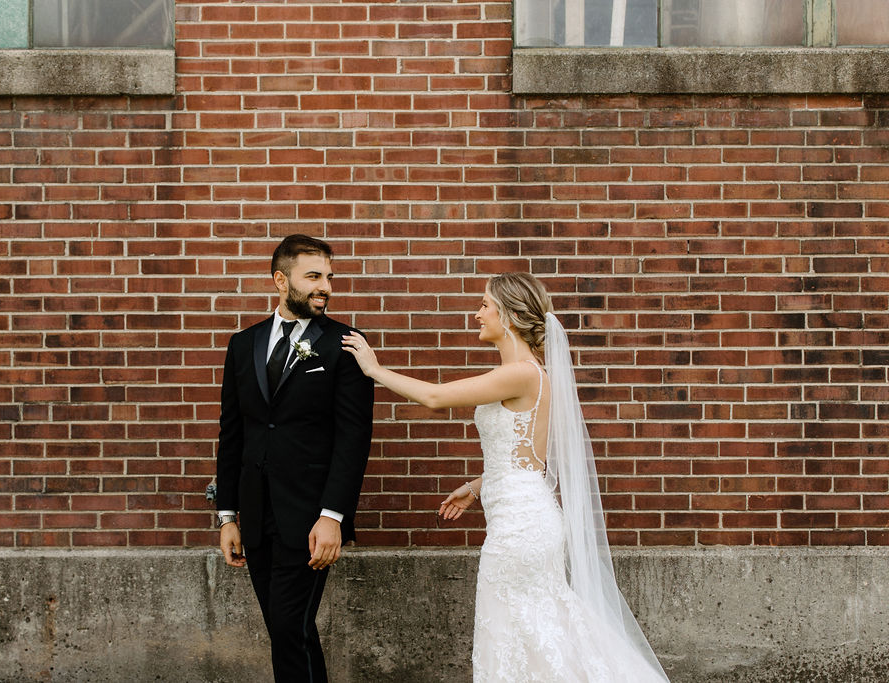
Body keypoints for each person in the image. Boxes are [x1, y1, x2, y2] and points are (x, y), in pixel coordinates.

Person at [342, 273, 669, 682]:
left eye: (484, 305)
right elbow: (529, 458)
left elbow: (435, 397)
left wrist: (374, 368)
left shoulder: (522, 373)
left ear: (510, 316)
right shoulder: (529, 374)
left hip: (520, 531)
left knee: (515, 635)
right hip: (525, 518)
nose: (477, 313)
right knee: (536, 634)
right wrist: (477, 487)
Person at [216, 234, 374, 683]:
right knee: (288, 630)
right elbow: (233, 434)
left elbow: (353, 437)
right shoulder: (242, 344)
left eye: (329, 277)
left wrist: (333, 517)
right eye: (314, 276)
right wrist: (228, 515)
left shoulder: (345, 343)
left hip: (309, 519)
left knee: (289, 626)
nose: (326, 286)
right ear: (280, 281)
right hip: (257, 514)